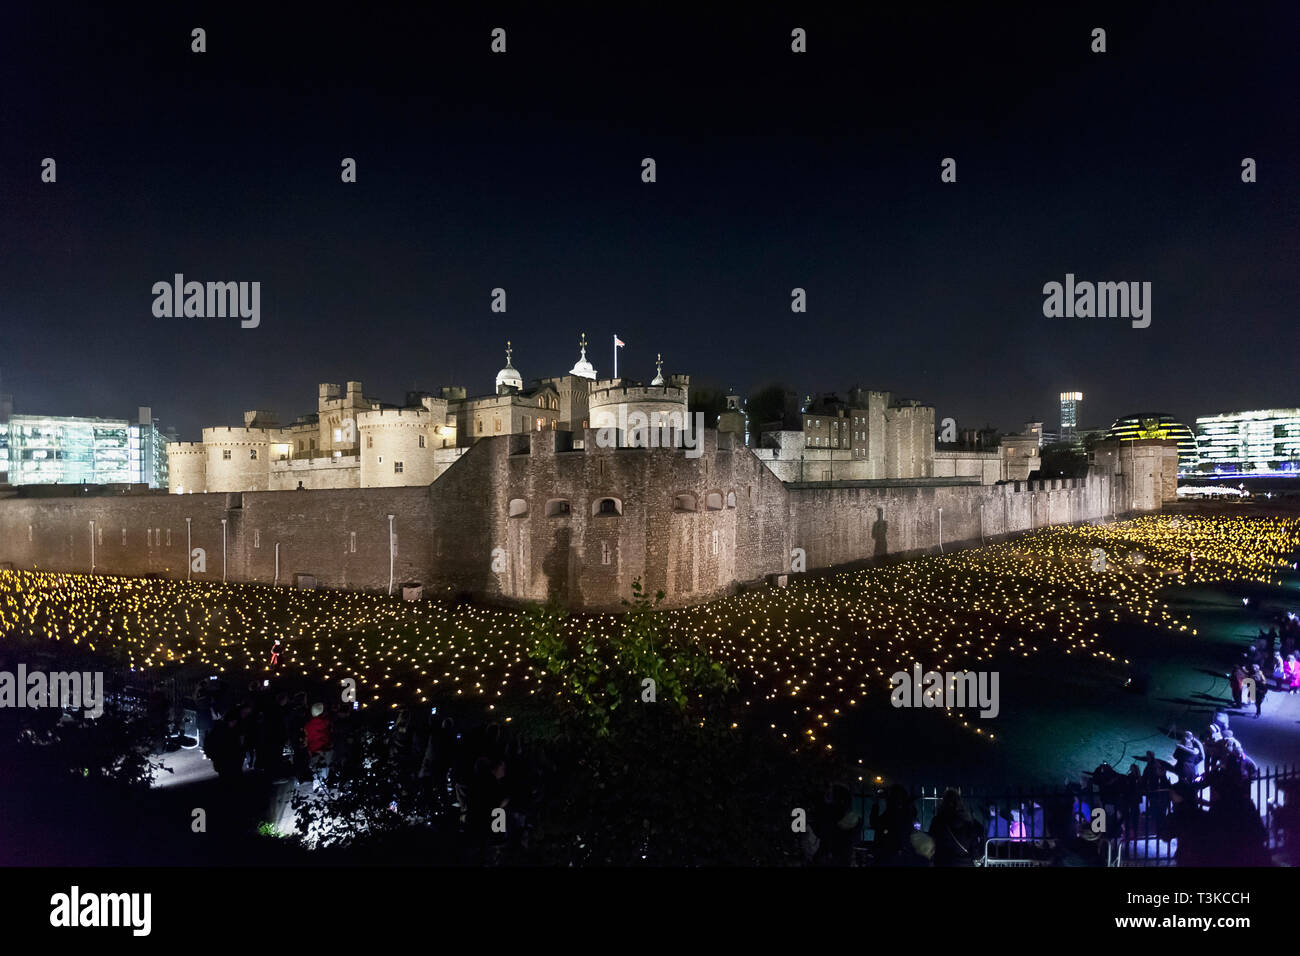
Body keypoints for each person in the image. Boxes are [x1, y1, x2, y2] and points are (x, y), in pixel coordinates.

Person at [929, 788, 984, 866]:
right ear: (960, 803)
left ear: (943, 802)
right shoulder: (968, 823)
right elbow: (976, 853)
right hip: (965, 864)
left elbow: (931, 844)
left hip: (943, 863)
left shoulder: (937, 821)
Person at [304, 702, 335, 791]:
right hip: (325, 749)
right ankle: (323, 785)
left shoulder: (308, 724)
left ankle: (317, 784)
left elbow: (308, 738)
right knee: (325, 768)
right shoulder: (326, 723)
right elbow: (329, 736)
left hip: (313, 750)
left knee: (316, 769)